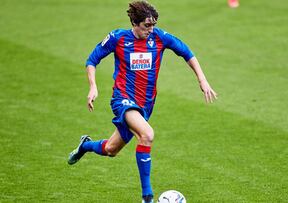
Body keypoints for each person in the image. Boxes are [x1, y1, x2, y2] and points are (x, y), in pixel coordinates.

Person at [67, 1, 217, 202]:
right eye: (147, 25)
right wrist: (93, 86)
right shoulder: (118, 38)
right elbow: (92, 60)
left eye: (153, 25)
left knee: (111, 150)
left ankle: (85, 146)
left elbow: (187, 52)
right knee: (147, 135)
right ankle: (147, 197)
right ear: (135, 23)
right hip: (123, 100)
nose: (151, 29)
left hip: (145, 105)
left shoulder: (159, 38)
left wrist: (202, 80)